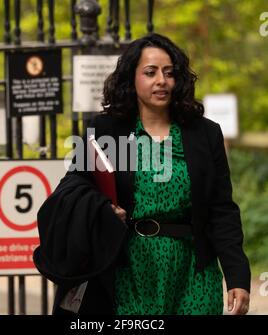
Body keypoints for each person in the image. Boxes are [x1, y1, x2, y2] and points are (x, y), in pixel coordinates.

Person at [33, 33, 251, 315]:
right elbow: (73, 186)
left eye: (169, 73)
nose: (161, 80)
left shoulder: (205, 133)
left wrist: (237, 275)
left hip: (194, 270)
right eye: (150, 72)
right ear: (132, 78)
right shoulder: (107, 130)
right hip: (129, 268)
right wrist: (103, 209)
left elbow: (222, 209)